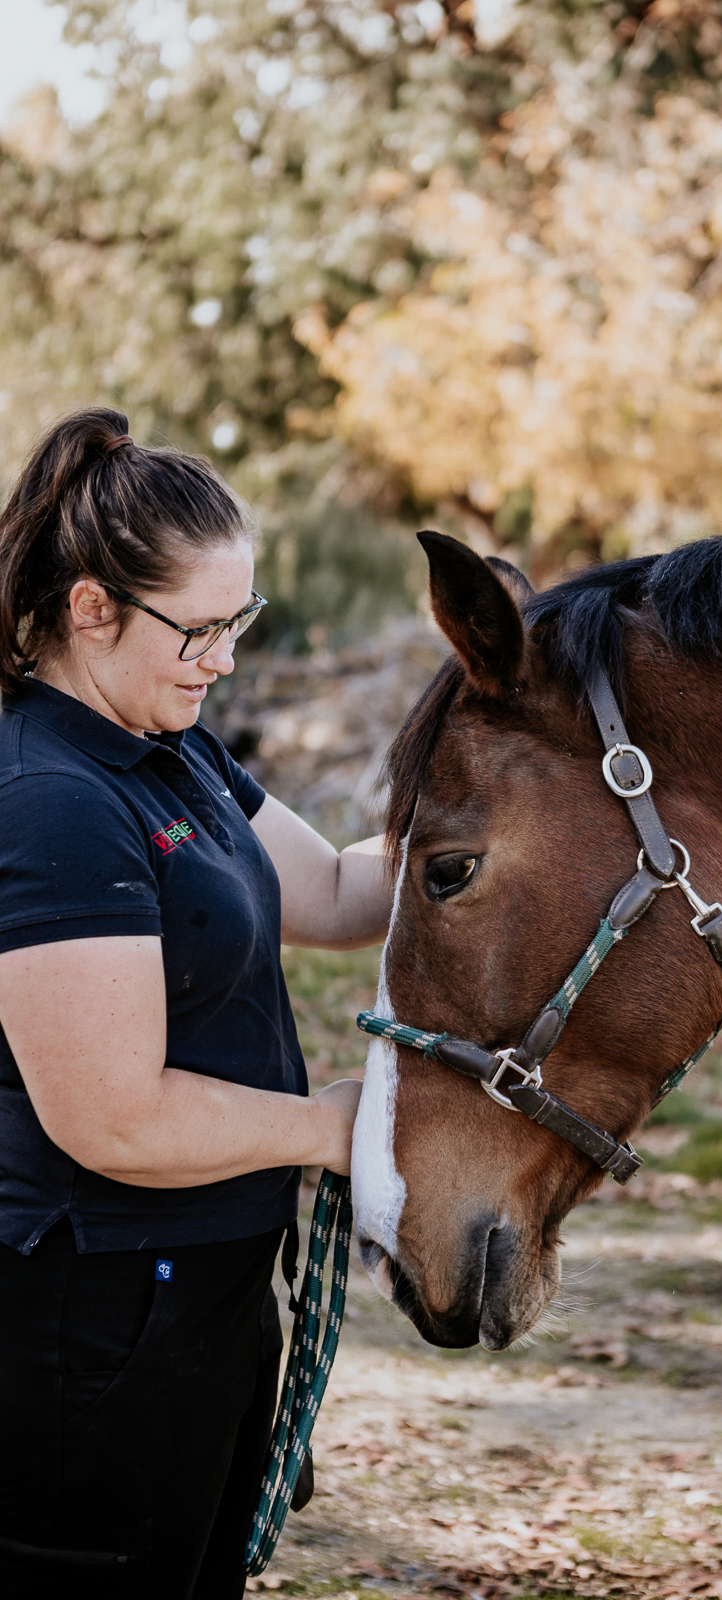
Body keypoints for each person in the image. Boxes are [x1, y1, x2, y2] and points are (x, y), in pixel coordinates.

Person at [0, 409, 393, 1600]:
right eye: (200, 628)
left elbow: (329, 890)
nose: (223, 656)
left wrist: (510, 801)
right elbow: (111, 1118)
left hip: (205, 1294)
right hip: (94, 1324)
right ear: (89, 609)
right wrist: (327, 1125)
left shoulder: (174, 746)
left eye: (240, 621)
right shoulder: (53, 798)